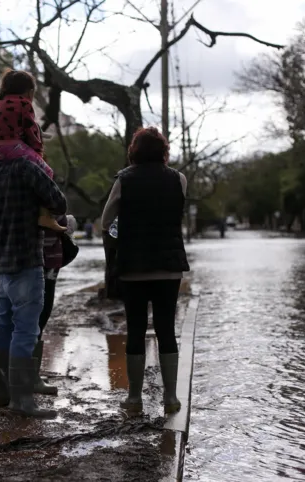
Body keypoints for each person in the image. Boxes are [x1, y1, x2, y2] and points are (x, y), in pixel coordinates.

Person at [101, 126, 190, 414]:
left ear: (134, 151)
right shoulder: (179, 179)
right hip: (168, 268)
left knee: (136, 330)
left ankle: (134, 398)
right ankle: (171, 398)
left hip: (133, 268)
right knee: (166, 330)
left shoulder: (124, 180)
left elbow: (106, 221)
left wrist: (118, 241)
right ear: (164, 151)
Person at [0, 136, 68, 419]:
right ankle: (21, 401)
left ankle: (2, 391)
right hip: (26, 260)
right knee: (26, 329)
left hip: (1, 262)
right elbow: (59, 202)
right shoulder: (28, 168)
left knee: (4, 326)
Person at [0, 69, 66, 232]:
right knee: (46, 171)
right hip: (11, 146)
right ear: (29, 91)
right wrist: (38, 152)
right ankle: (45, 216)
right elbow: (31, 131)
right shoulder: (23, 103)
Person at [33, 211, 77, 395]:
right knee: (39, 317)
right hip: (44, 263)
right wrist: (66, 221)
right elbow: (66, 223)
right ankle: (30, 376)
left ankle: (23, 375)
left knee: (32, 318)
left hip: (39, 262)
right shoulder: (44, 189)